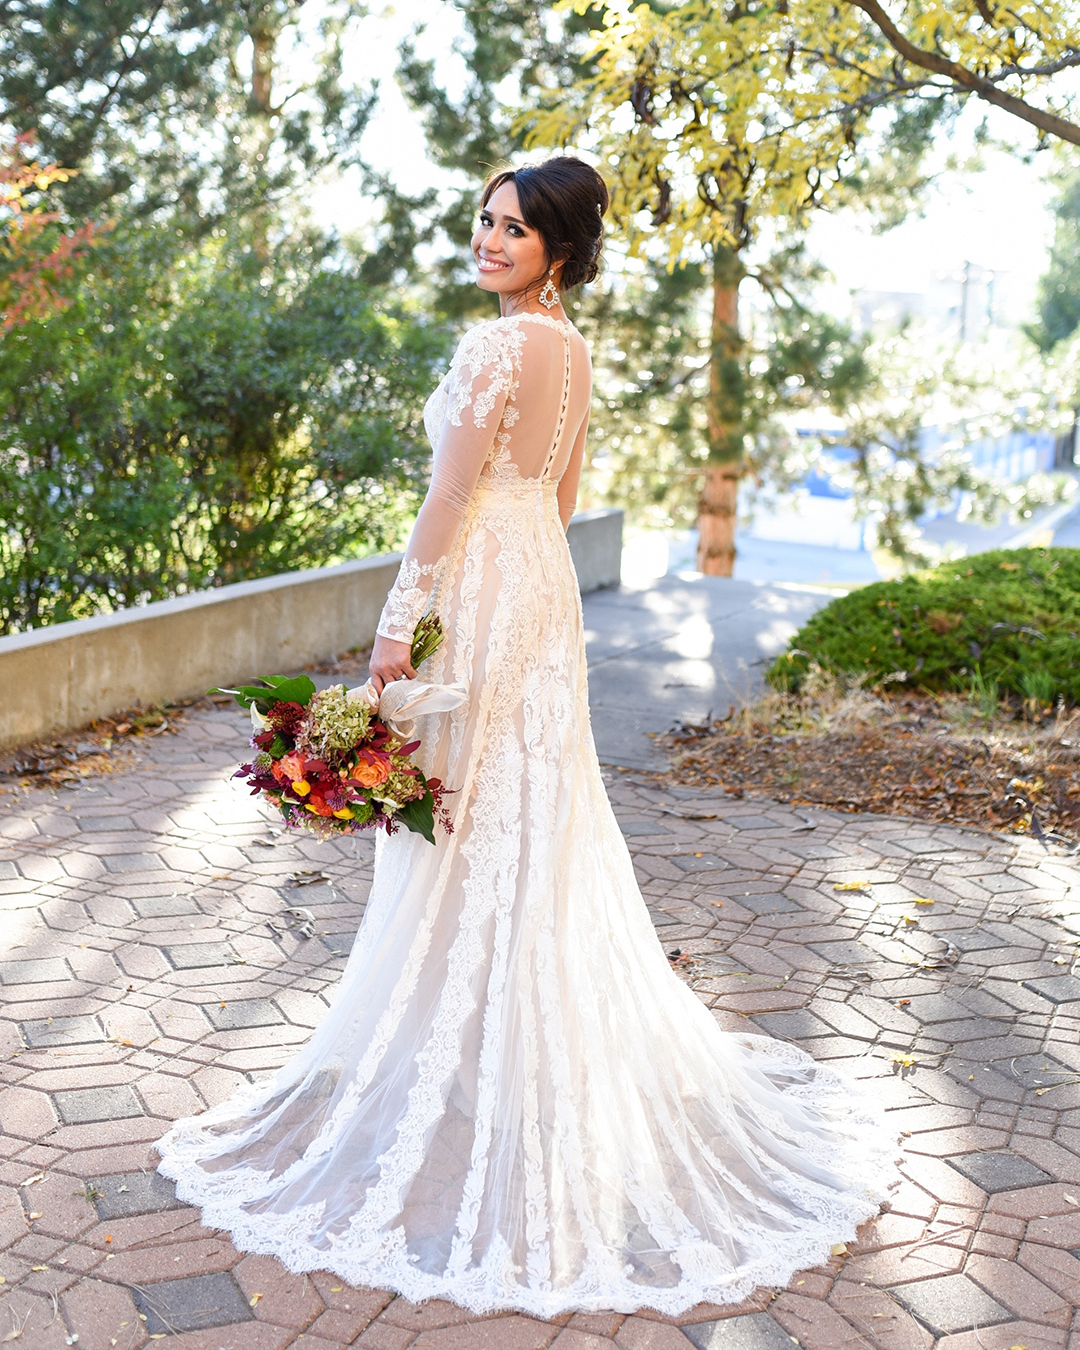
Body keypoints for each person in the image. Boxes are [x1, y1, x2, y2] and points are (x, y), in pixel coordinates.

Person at [156, 156, 897, 1318]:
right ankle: (502, 1045)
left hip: (487, 590)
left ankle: (466, 1052)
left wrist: (400, 630)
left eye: (517, 229)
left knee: (465, 806)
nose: (491, 240)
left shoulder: (498, 346)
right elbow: (557, 500)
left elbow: (449, 499)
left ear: (558, 248)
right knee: (532, 809)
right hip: (540, 592)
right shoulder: (573, 348)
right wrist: (520, 590)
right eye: (487, 221)